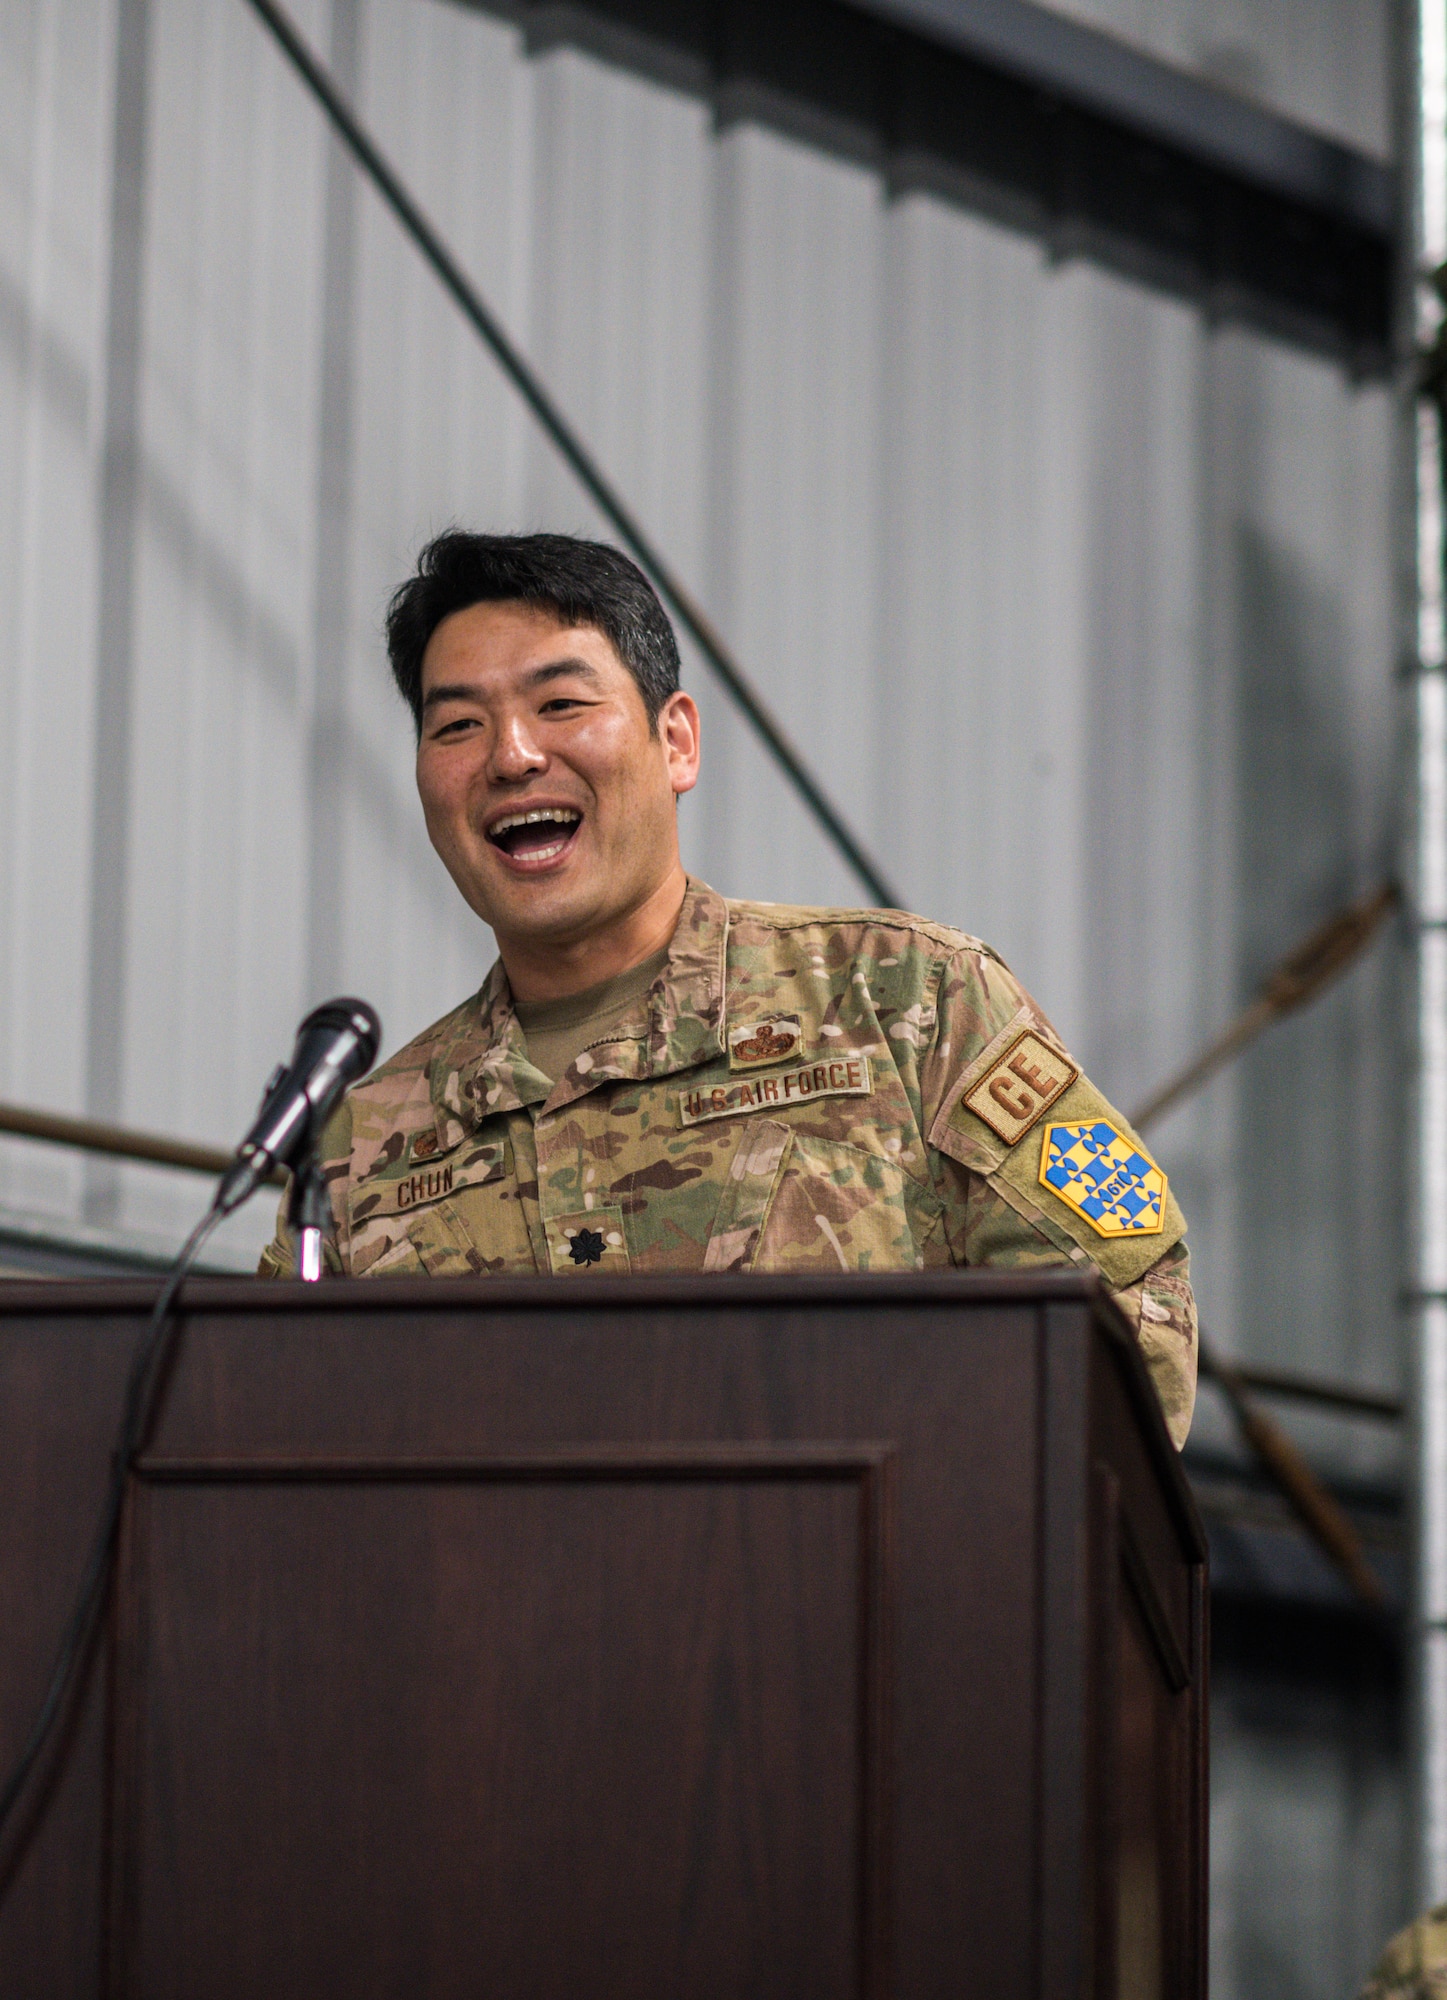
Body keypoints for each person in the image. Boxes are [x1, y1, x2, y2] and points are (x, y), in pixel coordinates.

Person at [260, 532, 1197, 1446]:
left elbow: (1128, 1317)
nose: (511, 756)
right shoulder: (362, 1150)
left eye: (560, 705)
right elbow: (268, 1441)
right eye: (457, 725)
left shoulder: (905, 1000)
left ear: (676, 742)